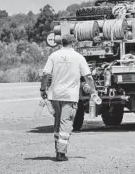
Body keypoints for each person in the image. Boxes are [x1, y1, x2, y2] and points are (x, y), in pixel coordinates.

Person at [40, 33, 97, 161]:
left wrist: (43, 89)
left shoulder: (54, 56)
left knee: (58, 121)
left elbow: (45, 74)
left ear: (62, 43)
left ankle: (58, 149)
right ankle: (61, 153)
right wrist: (93, 90)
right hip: (70, 96)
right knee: (66, 123)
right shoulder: (78, 57)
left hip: (55, 95)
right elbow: (88, 76)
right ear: (74, 43)